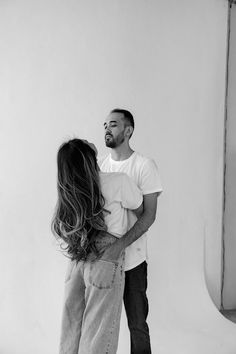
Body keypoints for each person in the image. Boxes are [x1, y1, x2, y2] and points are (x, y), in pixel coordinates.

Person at [51, 138, 143, 354]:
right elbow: (141, 211)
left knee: (71, 325)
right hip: (106, 253)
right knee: (99, 329)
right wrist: (117, 247)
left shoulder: (70, 190)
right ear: (89, 157)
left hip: (77, 252)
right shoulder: (118, 180)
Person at [99, 109, 163, 354]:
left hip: (133, 261)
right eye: (105, 124)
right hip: (104, 261)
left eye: (113, 124)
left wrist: (119, 245)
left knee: (137, 325)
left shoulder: (144, 166)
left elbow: (149, 216)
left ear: (128, 130)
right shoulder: (99, 166)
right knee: (102, 324)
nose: (107, 128)